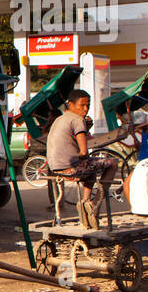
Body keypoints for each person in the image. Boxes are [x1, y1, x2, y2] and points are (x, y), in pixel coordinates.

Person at [45, 89, 119, 217]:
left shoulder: (59, 119)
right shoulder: (78, 120)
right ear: (70, 104)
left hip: (54, 167)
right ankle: (94, 205)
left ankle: (85, 201)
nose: (85, 109)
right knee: (112, 163)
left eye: (88, 105)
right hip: (70, 168)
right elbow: (84, 152)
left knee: (91, 170)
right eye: (82, 105)